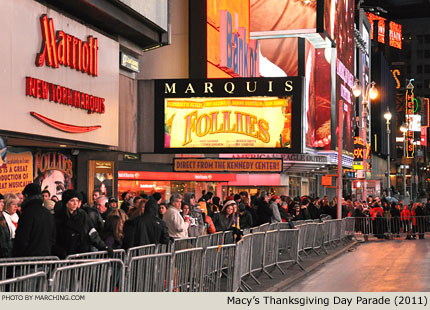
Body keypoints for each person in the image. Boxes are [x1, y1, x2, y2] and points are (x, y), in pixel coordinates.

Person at [53, 190, 113, 259]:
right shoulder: (58, 217)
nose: (75, 203)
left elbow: (92, 232)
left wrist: (103, 246)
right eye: (72, 200)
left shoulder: (82, 215)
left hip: (81, 254)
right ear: (66, 202)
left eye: (77, 201)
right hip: (65, 256)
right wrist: (59, 251)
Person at [13, 183, 55, 257]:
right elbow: (53, 237)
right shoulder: (47, 213)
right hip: (46, 258)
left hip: (28, 260)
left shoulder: (27, 213)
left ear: (26, 196)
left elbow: (22, 238)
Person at [0, 193, 12, 258]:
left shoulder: (2, 217)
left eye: (3, 202)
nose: (2, 204)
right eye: (0, 202)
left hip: (5, 254)